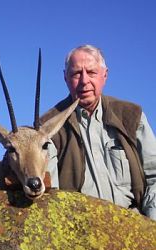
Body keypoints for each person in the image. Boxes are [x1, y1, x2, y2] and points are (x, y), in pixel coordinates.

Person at [41, 44, 156, 220]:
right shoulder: (48, 126)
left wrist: (151, 227)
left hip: (133, 225)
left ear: (105, 75)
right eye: (76, 73)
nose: (84, 80)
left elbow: (154, 177)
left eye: (91, 72)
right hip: (80, 229)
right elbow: (49, 193)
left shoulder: (131, 115)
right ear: (65, 77)